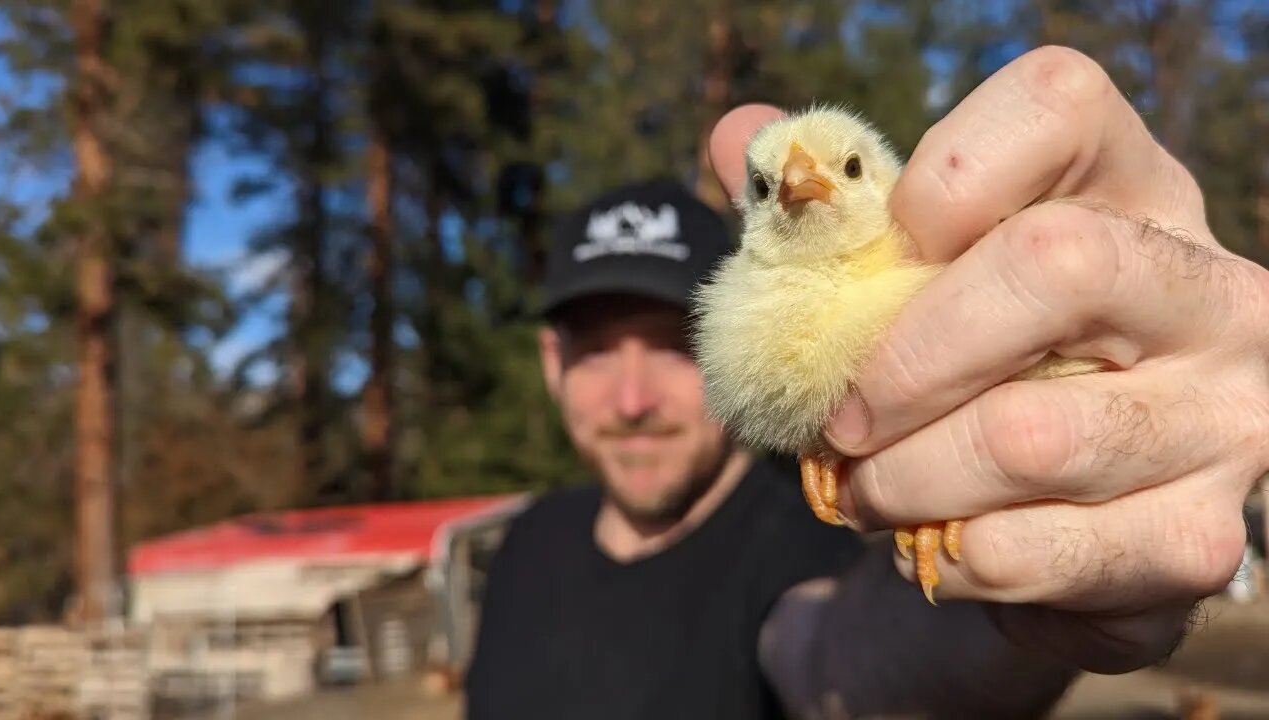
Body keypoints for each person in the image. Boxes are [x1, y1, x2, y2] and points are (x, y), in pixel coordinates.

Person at [464, 46, 1269, 720]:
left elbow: (861, 661)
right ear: (551, 364)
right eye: (599, 350)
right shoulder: (524, 546)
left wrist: (1034, 599)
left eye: (669, 343)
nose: (633, 400)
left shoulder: (831, 528)